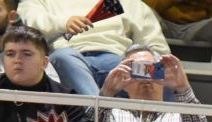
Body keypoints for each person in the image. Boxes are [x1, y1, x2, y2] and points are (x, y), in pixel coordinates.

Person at [19, 0, 169, 99]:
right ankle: (101, 119)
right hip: (67, 58)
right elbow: (30, 21)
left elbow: (156, 47)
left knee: (162, 72)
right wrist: (63, 23)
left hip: (117, 60)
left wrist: (155, 68)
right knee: (63, 57)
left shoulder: (130, 3)